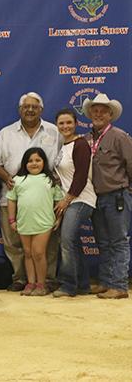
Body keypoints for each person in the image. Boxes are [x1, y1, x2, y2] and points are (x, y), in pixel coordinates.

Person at [0, 92, 61, 292]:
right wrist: (8, 179)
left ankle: (46, 279)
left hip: (45, 198)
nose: (30, 110)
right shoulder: (5, 133)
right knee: (14, 242)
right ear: (19, 109)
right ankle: (21, 279)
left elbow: (64, 160)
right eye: (26, 107)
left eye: (34, 106)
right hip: (12, 196)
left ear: (41, 109)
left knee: (47, 244)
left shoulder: (55, 131)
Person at [83, 93, 132, 299]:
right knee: (103, 242)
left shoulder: (119, 136)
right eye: (95, 110)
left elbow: (130, 163)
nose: (98, 113)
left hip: (116, 195)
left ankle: (119, 285)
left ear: (110, 114)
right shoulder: (87, 138)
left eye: (103, 110)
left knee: (118, 241)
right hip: (96, 197)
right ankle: (105, 281)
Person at [6, 148, 63, 296]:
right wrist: (12, 220)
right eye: (30, 161)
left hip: (44, 223)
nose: (34, 163)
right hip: (24, 222)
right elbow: (11, 201)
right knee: (28, 253)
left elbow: (58, 202)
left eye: (38, 160)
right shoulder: (17, 180)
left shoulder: (50, 180)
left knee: (38, 253)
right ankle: (30, 283)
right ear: (25, 163)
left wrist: (58, 219)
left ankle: (41, 284)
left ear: (44, 162)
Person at [52, 109, 96, 298]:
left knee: (67, 239)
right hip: (70, 199)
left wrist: (66, 199)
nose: (65, 126)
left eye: (68, 123)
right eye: (61, 123)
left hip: (82, 198)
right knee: (73, 242)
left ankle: (68, 285)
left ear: (76, 123)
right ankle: (83, 284)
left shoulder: (80, 144)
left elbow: (81, 176)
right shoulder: (63, 146)